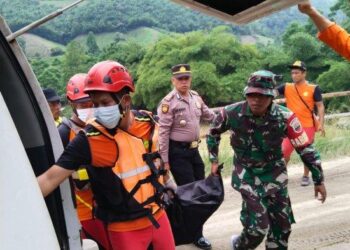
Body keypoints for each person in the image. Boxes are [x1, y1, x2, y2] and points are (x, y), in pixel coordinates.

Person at [37, 60, 176, 250]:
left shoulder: (147, 122)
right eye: (95, 104)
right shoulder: (89, 139)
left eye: (104, 103)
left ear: (125, 101)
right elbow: (50, 178)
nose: (98, 110)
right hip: (124, 229)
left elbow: (155, 158)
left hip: (159, 218)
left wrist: (168, 182)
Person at [207, 70, 327, 250]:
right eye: (251, 94)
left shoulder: (285, 117)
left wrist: (318, 179)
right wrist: (214, 159)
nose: (255, 100)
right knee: (257, 229)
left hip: (275, 174)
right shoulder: (230, 113)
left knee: (282, 228)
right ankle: (239, 245)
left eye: (261, 96)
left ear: (271, 96)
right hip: (247, 174)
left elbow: (305, 148)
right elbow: (213, 133)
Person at [157, 63, 214, 250]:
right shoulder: (168, 102)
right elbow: (163, 133)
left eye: (186, 78)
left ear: (190, 79)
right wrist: (164, 161)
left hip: (194, 152)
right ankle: (196, 236)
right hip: (177, 154)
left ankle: (189, 231)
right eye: (179, 79)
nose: (184, 82)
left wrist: (228, 118)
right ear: (173, 80)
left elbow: (209, 115)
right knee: (191, 195)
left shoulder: (195, 97)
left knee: (200, 192)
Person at [58, 73, 111, 250]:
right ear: (71, 103)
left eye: (92, 104)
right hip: (83, 212)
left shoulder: (102, 128)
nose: (89, 109)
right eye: (83, 105)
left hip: (109, 207)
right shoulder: (64, 134)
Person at [277, 61, 325, 186]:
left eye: (297, 72)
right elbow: (271, 94)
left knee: (306, 153)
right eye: (292, 73)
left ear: (304, 73)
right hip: (290, 125)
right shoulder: (286, 87)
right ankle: (282, 175)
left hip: (307, 126)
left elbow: (320, 106)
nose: (294, 75)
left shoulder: (313, 88)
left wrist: (321, 123)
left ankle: (305, 176)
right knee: (284, 151)